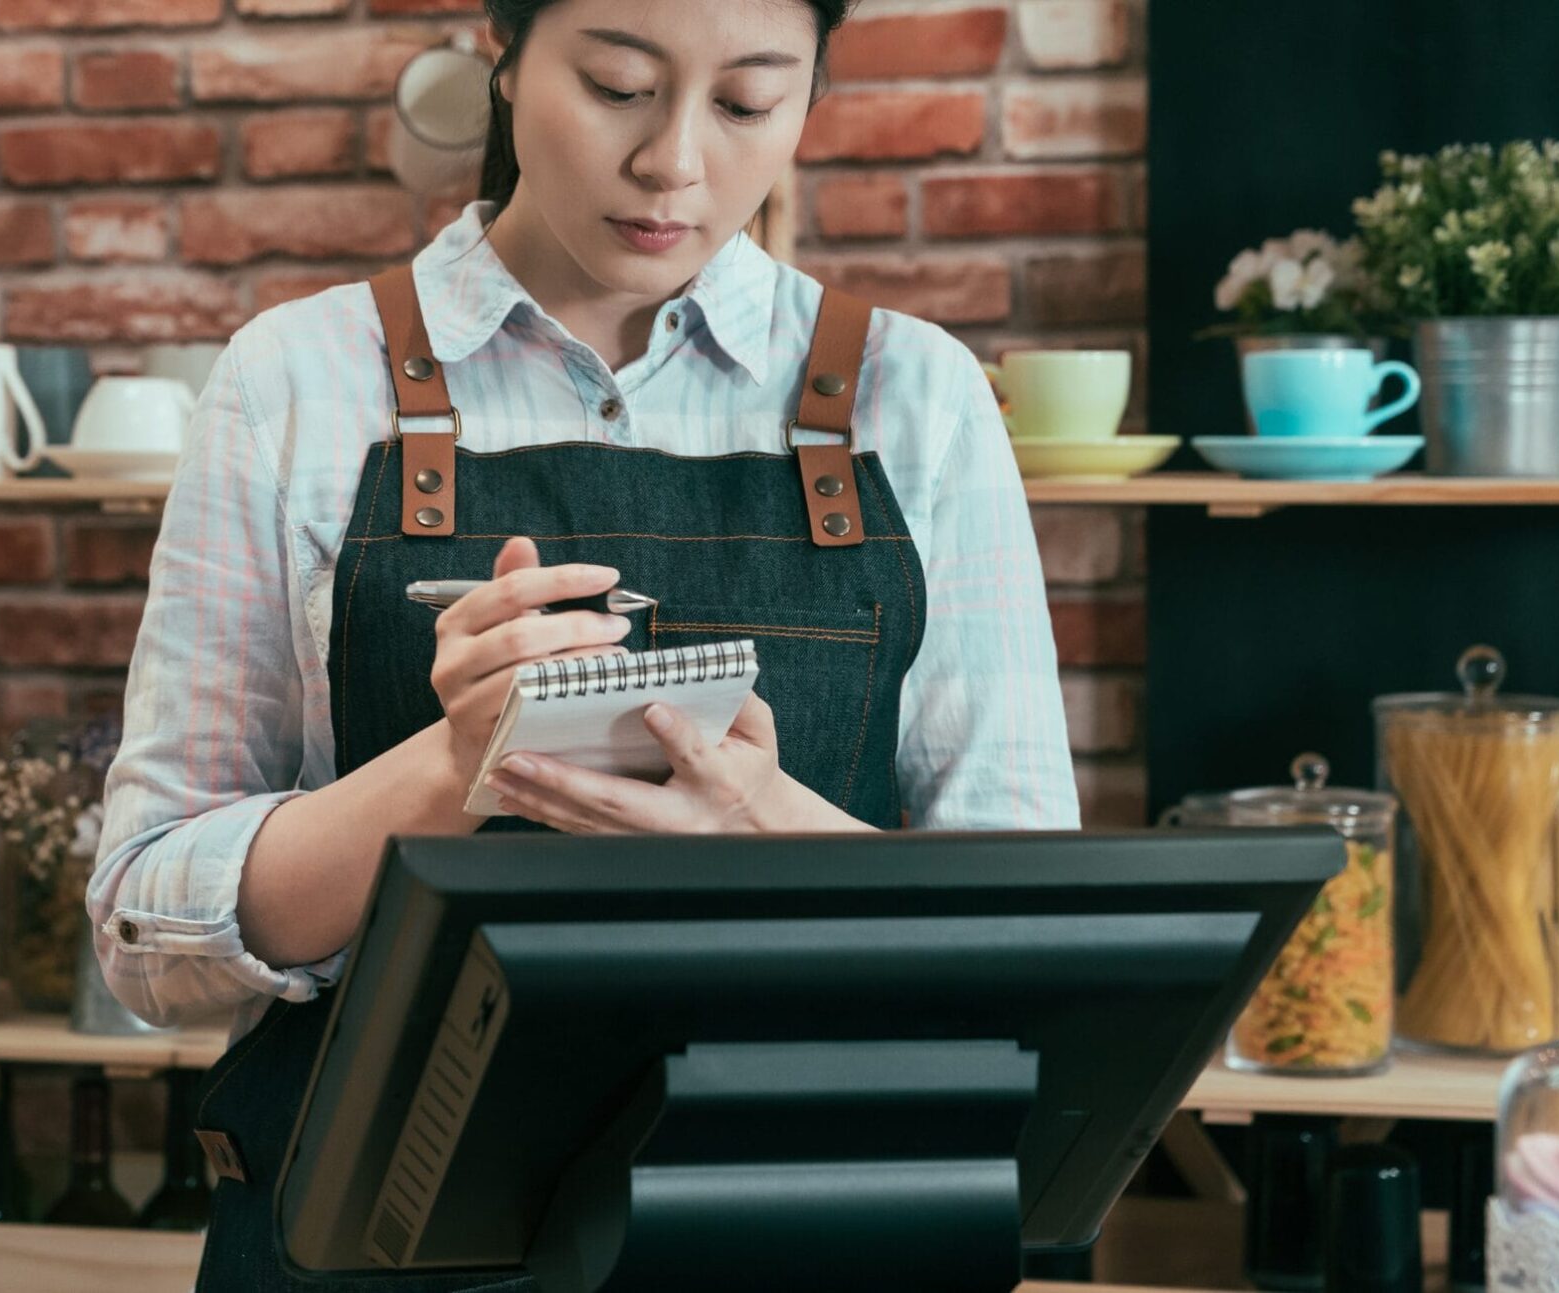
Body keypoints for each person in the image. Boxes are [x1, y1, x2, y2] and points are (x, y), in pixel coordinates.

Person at [90, 0, 1077, 1285]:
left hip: (816, 1239)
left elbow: (1034, 944)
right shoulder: (295, 382)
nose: (674, 160)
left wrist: (766, 833)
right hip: (366, 1249)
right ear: (502, 54)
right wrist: (449, 774)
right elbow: (142, 928)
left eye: (745, 103)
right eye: (617, 85)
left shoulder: (917, 396)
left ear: (812, 93)